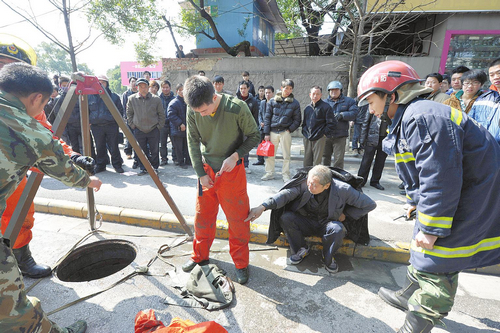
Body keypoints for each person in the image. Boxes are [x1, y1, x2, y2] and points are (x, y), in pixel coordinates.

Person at [357, 60, 500, 333]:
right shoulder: (412, 115)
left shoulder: (423, 117)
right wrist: (415, 202)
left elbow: (440, 176)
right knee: (422, 247)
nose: (370, 109)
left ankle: (417, 324)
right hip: (456, 196)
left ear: (392, 95)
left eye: (371, 100)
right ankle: (408, 294)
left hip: (469, 198)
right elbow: (419, 169)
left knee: (438, 260)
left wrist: (433, 224)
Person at [0, 62, 102, 333]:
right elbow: (51, 154)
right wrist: (88, 179)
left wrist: (71, 154)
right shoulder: (24, 126)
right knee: (15, 312)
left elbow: (49, 141)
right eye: (44, 103)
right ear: (36, 98)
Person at [182, 75, 260, 285]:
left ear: (214, 96)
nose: (202, 115)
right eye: (198, 112)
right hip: (207, 170)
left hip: (232, 171)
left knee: (238, 221)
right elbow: (192, 141)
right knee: (202, 217)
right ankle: (199, 256)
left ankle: (241, 264)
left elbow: (255, 135)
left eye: (205, 111)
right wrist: (200, 173)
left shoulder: (237, 108)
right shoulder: (193, 108)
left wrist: (236, 156)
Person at [246, 165, 376, 273]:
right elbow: (285, 195)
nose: (309, 186)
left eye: (314, 185)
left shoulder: (343, 190)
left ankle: (328, 256)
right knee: (286, 218)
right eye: (309, 181)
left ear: (326, 185)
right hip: (306, 221)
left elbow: (370, 204)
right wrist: (262, 207)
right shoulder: (304, 184)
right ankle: (301, 249)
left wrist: (347, 215)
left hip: (328, 223)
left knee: (338, 229)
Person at [262, 79, 301, 182]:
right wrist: (266, 133)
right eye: (286, 88)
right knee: (270, 155)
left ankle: (286, 175)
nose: (288, 90)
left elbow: (297, 120)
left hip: (285, 132)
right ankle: (269, 173)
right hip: (273, 131)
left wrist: (290, 129)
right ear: (281, 88)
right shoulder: (272, 101)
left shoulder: (295, 103)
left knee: (286, 156)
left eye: (290, 88)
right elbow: (267, 118)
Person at [127, 78, 165, 175]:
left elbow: (161, 114)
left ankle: (154, 167)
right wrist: (132, 125)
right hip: (139, 129)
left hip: (153, 129)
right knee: (141, 151)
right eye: (140, 87)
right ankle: (143, 168)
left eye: (145, 87)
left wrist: (159, 127)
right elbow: (129, 114)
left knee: (154, 150)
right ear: (137, 87)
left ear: (148, 87)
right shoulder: (132, 99)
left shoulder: (156, 99)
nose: (143, 89)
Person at [89, 74, 124, 174]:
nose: (100, 84)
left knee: (114, 146)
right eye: (98, 82)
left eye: (103, 82)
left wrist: (115, 121)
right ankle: (101, 165)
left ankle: (117, 165)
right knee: (99, 147)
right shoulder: (90, 97)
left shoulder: (114, 97)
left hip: (111, 125)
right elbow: (87, 111)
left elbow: (120, 111)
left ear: (107, 84)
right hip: (96, 126)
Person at [323, 81, 358, 169]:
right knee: (324, 158)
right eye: (332, 90)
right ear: (329, 91)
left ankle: (337, 178)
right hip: (326, 135)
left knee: (338, 160)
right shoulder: (324, 103)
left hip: (340, 135)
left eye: (336, 90)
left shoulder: (349, 101)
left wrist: (342, 115)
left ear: (340, 91)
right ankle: (324, 178)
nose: (334, 92)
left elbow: (354, 113)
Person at [468, 59, 500, 144]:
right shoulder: (482, 99)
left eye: (499, 73)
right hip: (481, 149)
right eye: (492, 75)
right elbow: (469, 124)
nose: (495, 77)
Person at [356, 105, 388, 190]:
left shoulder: (391, 106)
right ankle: (360, 180)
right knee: (366, 160)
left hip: (385, 138)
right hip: (372, 136)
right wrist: (362, 140)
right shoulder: (373, 105)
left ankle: (375, 181)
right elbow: (365, 123)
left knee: (380, 161)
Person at [302, 86, 334, 167]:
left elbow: (331, 123)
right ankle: (306, 177)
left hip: (320, 137)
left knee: (317, 161)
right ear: (310, 95)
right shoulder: (307, 108)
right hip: (307, 137)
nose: (315, 96)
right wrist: (305, 133)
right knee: (307, 160)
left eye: (317, 94)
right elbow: (304, 123)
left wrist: (324, 134)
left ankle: (316, 178)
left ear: (321, 95)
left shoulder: (326, 107)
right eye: (313, 94)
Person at [236, 80, 260, 174]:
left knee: (245, 147)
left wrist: (254, 129)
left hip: (247, 128)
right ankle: (236, 164)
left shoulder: (253, 101)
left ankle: (245, 165)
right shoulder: (235, 99)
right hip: (236, 128)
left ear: (248, 89)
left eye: (244, 88)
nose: (243, 90)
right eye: (241, 88)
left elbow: (255, 116)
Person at [167, 83, 190, 168]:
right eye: (180, 90)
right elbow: (171, 115)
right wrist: (180, 123)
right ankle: (181, 162)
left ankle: (188, 161)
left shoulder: (188, 102)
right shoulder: (174, 102)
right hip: (177, 129)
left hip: (187, 129)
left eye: (183, 90)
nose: (182, 92)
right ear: (177, 91)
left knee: (187, 147)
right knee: (178, 148)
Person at [254, 85, 274, 166]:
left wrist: (267, 123)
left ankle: (269, 161)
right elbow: (259, 114)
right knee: (260, 143)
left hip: (271, 127)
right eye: (266, 93)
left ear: (272, 93)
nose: (267, 94)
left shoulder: (275, 103)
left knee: (270, 144)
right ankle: (260, 159)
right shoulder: (262, 103)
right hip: (262, 127)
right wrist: (261, 122)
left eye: (269, 93)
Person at [159, 80, 175, 165]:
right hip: (162, 124)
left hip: (173, 124)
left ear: (170, 88)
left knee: (174, 143)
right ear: (161, 88)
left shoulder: (174, 98)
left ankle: (175, 158)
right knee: (163, 143)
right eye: (163, 87)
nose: (165, 89)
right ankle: (164, 159)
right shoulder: (158, 99)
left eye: (167, 87)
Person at [122, 76, 138, 162]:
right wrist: (126, 118)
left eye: (135, 81)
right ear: (130, 83)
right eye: (132, 81)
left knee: (137, 136)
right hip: (129, 118)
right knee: (129, 136)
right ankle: (128, 152)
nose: (134, 83)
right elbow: (124, 107)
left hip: (138, 118)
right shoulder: (126, 94)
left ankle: (137, 153)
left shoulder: (140, 93)